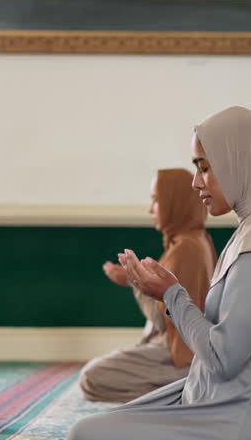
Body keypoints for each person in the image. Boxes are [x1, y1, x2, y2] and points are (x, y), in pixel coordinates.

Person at [66, 106, 251, 440]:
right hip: (232, 407)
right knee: (111, 421)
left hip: (246, 430)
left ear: (241, 162)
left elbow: (224, 357)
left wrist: (172, 294)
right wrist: (163, 292)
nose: (196, 183)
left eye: (205, 167)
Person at [79, 168, 217, 403]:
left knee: (91, 378)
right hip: (183, 352)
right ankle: (187, 388)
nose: (151, 209)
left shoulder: (187, 248)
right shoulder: (192, 240)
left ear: (174, 202)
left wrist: (135, 281)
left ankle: (187, 391)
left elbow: (165, 321)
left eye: (156, 200)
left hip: (181, 357)